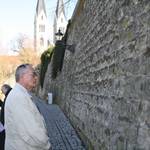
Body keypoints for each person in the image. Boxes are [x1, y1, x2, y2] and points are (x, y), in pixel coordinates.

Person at [5, 64, 51, 150]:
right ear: (23, 76)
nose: (36, 78)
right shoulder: (18, 97)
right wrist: (47, 145)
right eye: (33, 74)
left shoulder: (20, 94)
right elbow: (31, 132)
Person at [0, 84, 12, 150]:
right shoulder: (9, 95)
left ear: (5, 88)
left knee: (2, 136)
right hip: (3, 123)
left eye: (2, 90)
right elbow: (3, 105)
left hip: (4, 123)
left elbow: (3, 105)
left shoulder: (9, 95)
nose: (2, 92)